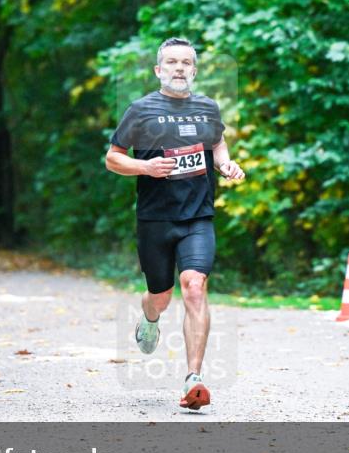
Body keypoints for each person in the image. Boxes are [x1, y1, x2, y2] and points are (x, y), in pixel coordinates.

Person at [105, 38, 246, 410]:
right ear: (158, 70)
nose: (179, 68)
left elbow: (217, 144)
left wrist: (225, 164)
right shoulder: (140, 110)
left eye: (186, 63)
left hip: (198, 215)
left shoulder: (207, 108)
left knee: (195, 286)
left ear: (195, 71)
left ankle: (193, 378)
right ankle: (150, 317)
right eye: (171, 62)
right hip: (155, 217)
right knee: (161, 295)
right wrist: (145, 167)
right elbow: (113, 158)